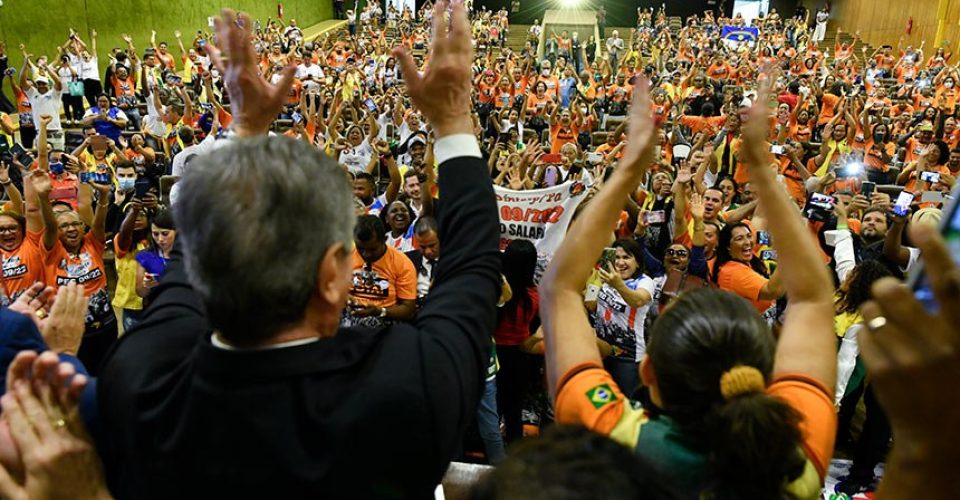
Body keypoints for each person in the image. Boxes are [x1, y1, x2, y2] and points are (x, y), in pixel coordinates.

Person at [96, 6, 501, 498]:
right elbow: (473, 267)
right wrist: (454, 120)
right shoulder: (409, 385)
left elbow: (194, 252)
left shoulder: (137, 380)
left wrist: (243, 131)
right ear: (334, 272)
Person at [540, 82, 837, 498]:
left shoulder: (618, 438)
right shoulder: (796, 464)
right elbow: (814, 297)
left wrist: (628, 170)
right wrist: (766, 176)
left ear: (648, 375)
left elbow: (558, 289)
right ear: (767, 375)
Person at [493, 239, 539, 444]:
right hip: (520, 356)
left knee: (491, 408)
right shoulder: (535, 296)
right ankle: (513, 453)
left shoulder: (495, 290)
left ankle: (486, 450)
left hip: (493, 354)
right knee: (514, 411)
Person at [346, 214, 418, 327]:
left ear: (384, 240)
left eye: (372, 249)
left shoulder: (402, 264)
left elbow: (408, 309)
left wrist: (380, 311)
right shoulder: (345, 257)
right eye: (360, 248)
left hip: (386, 319)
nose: (366, 254)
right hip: (350, 317)